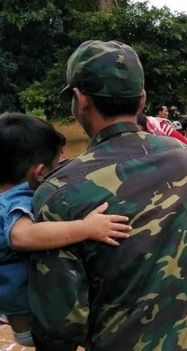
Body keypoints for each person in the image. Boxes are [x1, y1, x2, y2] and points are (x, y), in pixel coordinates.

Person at [29, 40, 187, 349]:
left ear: (80, 100)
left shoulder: (58, 193)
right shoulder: (185, 159)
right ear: (142, 99)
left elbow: (61, 328)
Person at [0, 113, 132, 347]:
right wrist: (85, 228)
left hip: (16, 310)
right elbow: (22, 236)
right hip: (32, 318)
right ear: (40, 172)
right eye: (56, 165)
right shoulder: (15, 200)